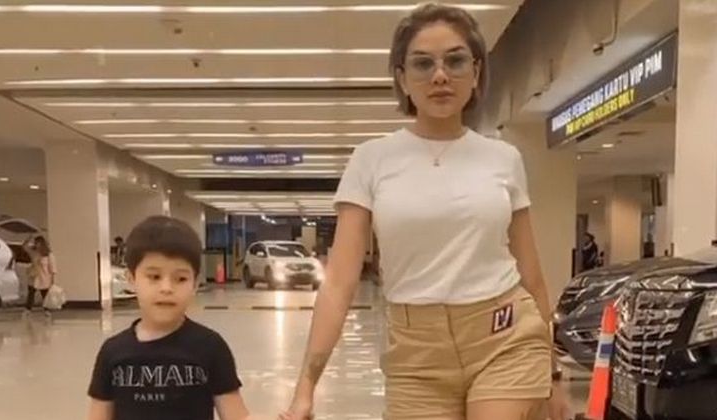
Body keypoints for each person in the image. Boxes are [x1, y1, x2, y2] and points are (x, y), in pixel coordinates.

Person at [281, 4, 572, 420]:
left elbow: (532, 275)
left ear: (476, 72)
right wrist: (306, 386)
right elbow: (339, 282)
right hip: (415, 354)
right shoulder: (371, 160)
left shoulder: (503, 158)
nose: (440, 76)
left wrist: (552, 371)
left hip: (505, 334)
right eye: (423, 64)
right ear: (402, 78)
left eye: (455, 61)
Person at [87, 216, 250, 420]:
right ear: (131, 279)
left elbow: (236, 415)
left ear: (195, 284)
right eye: (154, 277)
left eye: (180, 279)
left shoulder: (211, 347)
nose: (166, 288)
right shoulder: (113, 352)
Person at [23, 235, 57, 316]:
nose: (37, 245)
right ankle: (28, 309)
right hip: (34, 277)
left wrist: (53, 280)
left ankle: (47, 310)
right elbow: (25, 247)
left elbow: (52, 267)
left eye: (38, 243)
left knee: (44, 295)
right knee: (31, 294)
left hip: (44, 278)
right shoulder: (34, 252)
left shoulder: (48, 254)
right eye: (36, 243)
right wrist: (29, 238)